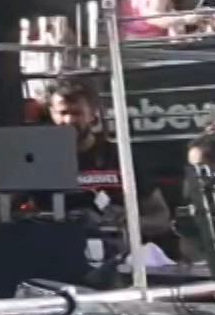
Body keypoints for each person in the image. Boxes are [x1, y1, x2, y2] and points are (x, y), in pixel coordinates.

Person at [46, 78, 172, 238]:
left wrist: (129, 222)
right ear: (52, 113)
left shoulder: (121, 156)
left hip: (115, 252)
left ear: (92, 114)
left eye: (77, 113)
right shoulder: (39, 160)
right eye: (63, 113)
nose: (69, 120)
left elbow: (161, 219)